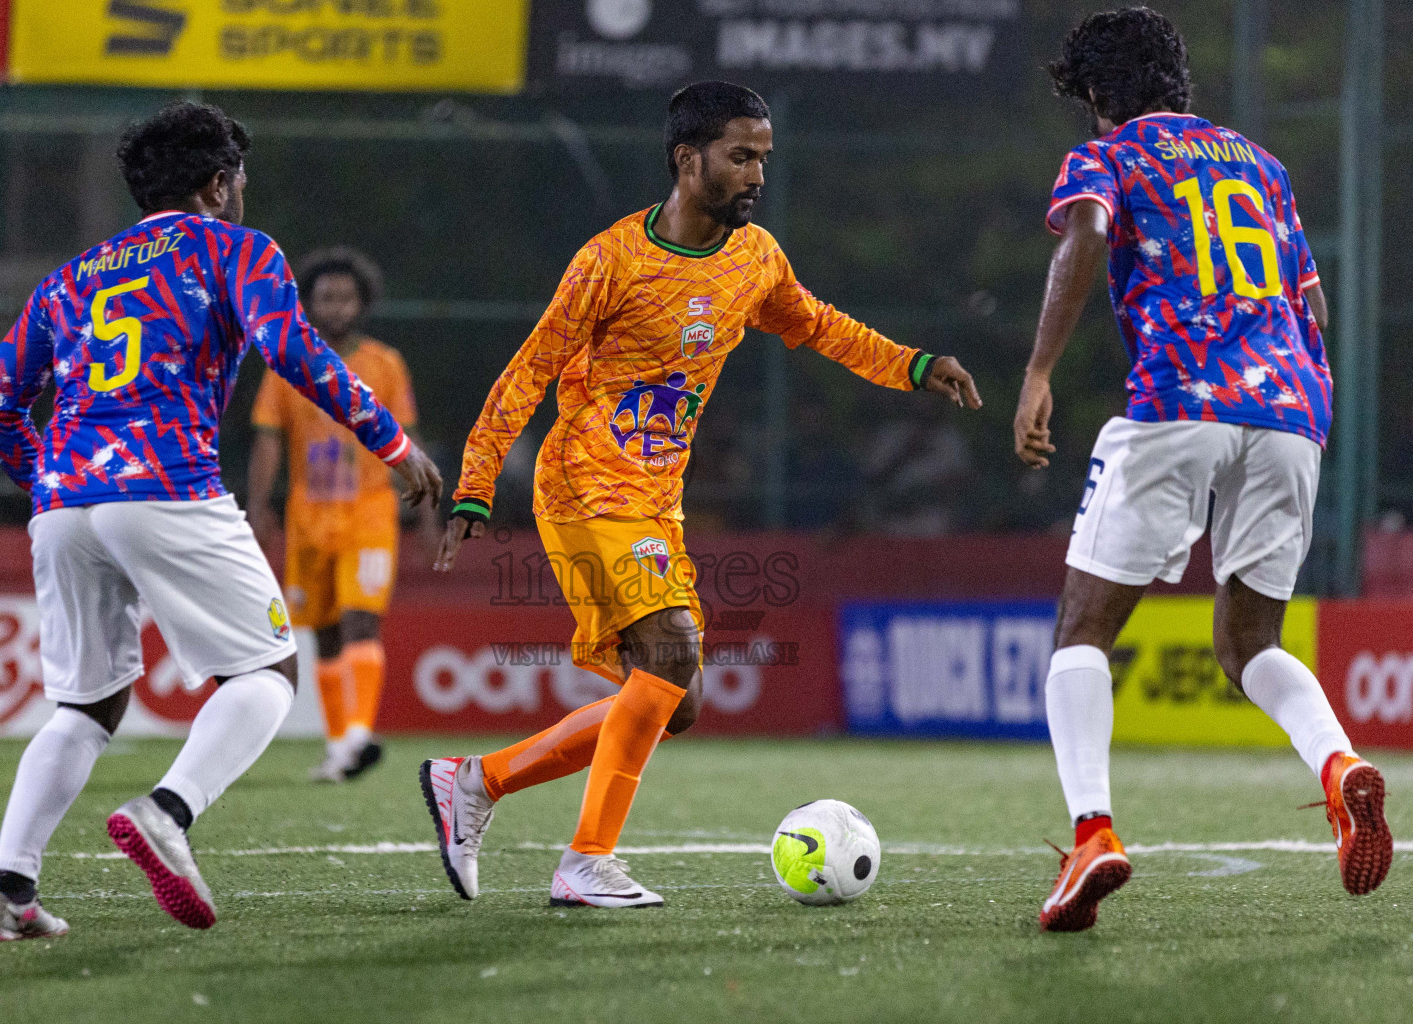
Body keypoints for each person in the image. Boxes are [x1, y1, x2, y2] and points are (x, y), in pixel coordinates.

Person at [422, 80, 982, 909]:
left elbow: (819, 324)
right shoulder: (610, 260)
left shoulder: (756, 259)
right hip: (584, 483)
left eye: (762, 157)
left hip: (656, 497)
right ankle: (585, 860)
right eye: (740, 156)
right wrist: (473, 488)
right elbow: (529, 371)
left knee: (669, 699)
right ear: (688, 160)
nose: (756, 173)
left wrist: (911, 363)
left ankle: (477, 780)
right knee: (675, 656)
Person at [0, 101, 440, 940]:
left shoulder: (71, 278)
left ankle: (6, 891)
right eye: (240, 178)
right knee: (266, 673)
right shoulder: (234, 248)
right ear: (219, 183)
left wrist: (48, 481)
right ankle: (168, 812)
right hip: (167, 486)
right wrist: (393, 444)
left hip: (66, 506)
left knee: (85, 708)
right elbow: (292, 351)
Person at [1015, 7, 1389, 933]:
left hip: (1182, 401)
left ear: (1100, 93)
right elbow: (1313, 299)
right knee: (1249, 643)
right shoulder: (1262, 165)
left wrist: (1038, 373)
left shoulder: (1113, 155)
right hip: (1294, 408)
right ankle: (1341, 769)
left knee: (1081, 631)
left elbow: (1088, 232)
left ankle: (1094, 833)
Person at [248, 246, 435, 783]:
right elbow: (267, 440)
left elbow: (407, 435)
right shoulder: (287, 363)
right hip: (309, 516)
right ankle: (341, 748)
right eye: (325, 298)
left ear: (362, 303)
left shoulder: (385, 364)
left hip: (370, 513)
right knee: (326, 633)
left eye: (346, 298)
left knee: (361, 620)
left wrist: (425, 512)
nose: (336, 308)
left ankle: (357, 734)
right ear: (307, 304)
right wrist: (259, 505)